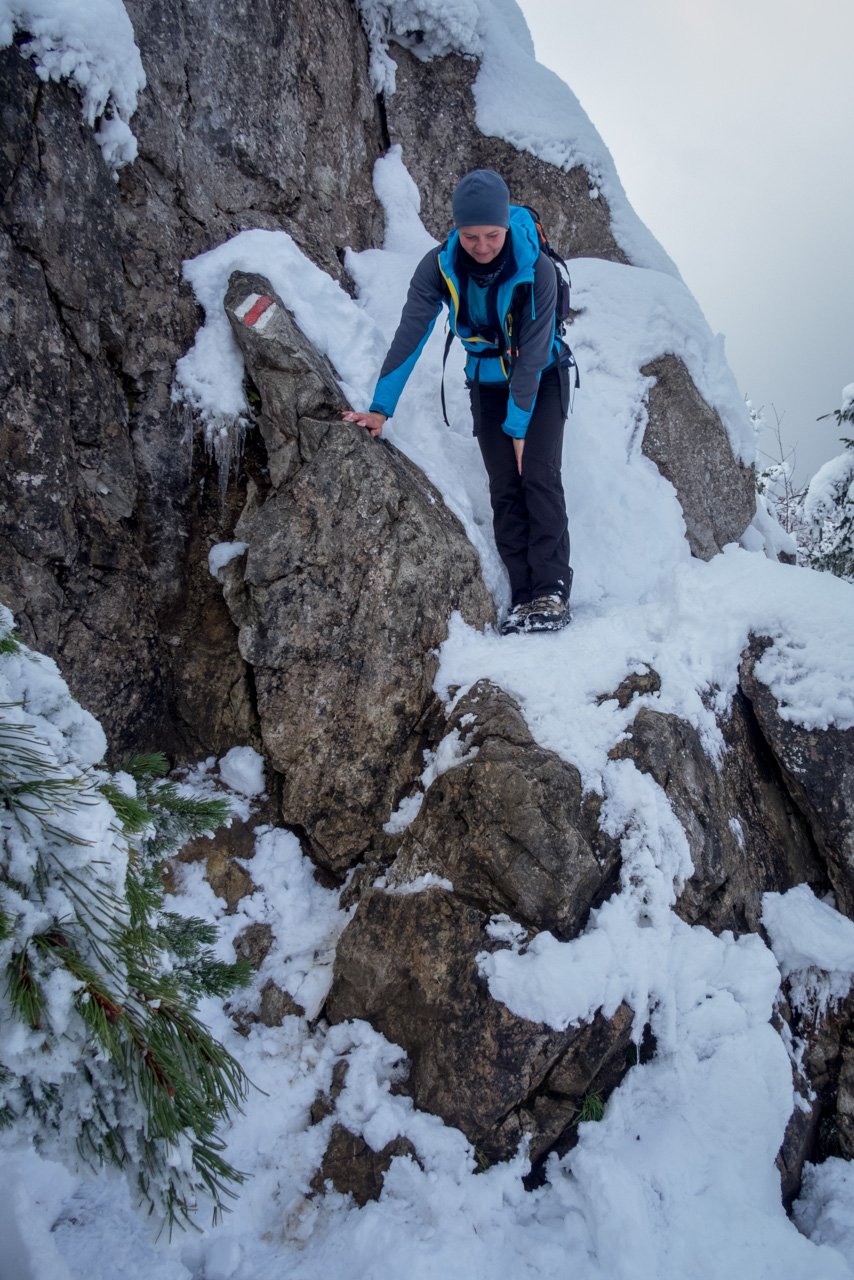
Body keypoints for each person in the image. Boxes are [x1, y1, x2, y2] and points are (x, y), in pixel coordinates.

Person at [343, 169, 573, 634]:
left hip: (541, 379)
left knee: (539, 475)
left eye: (492, 235)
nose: (483, 246)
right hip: (487, 383)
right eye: (471, 236)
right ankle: (524, 594)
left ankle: (551, 591)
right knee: (505, 484)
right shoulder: (439, 266)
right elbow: (411, 334)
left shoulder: (537, 270)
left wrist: (519, 429)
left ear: (506, 227)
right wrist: (380, 407)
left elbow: (529, 361)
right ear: (455, 230)